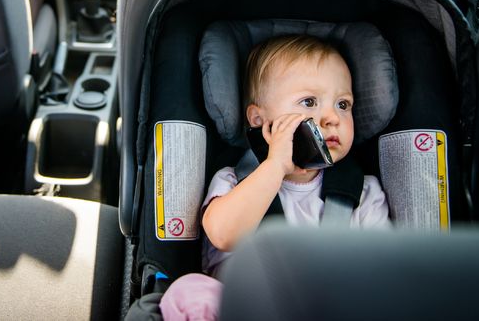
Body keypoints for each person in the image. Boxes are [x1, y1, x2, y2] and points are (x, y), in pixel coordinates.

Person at [159, 35, 391, 321]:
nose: (332, 117)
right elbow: (223, 235)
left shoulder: (363, 191)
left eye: (343, 104)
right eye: (309, 101)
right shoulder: (234, 181)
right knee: (188, 292)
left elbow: (382, 269)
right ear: (258, 120)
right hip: (248, 307)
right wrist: (275, 166)